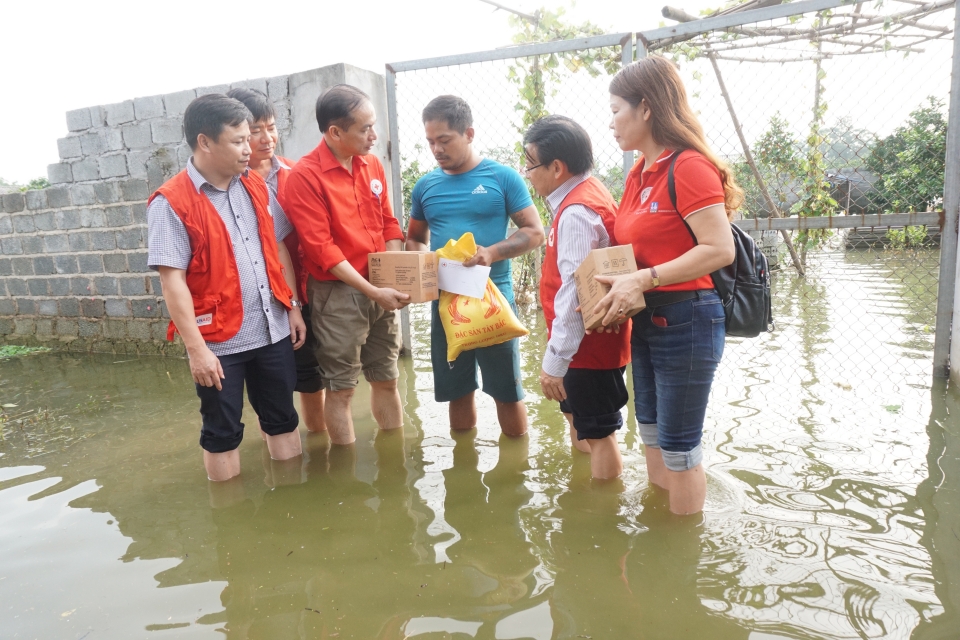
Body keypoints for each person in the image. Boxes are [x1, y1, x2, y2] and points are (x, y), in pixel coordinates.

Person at [593, 56, 741, 514]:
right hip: (646, 317)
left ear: (646, 108)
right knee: (652, 433)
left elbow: (719, 249)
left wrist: (644, 277)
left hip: (687, 319)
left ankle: (683, 548)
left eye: (616, 110)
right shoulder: (638, 172)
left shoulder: (689, 166)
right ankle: (658, 530)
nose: (611, 122)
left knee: (680, 447)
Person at [147, 94, 307, 481]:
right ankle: (228, 512)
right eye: (238, 141)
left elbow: (278, 247)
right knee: (222, 433)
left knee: (283, 419)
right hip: (219, 344)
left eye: (248, 138)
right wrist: (196, 351)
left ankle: (293, 503)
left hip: (273, 329)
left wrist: (293, 307)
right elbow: (172, 282)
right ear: (205, 142)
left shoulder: (254, 185)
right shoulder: (171, 203)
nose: (249, 148)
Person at [405, 95, 544, 436]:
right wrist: (423, 267)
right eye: (430, 141)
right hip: (447, 302)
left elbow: (534, 232)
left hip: (494, 300)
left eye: (444, 140)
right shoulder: (425, 186)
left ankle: (516, 461)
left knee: (507, 392)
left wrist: (491, 253)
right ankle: (463, 460)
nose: (436, 149)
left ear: (469, 133)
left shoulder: (502, 177)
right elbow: (416, 239)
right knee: (457, 391)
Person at [280, 84, 408, 446]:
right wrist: (373, 290)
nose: (374, 136)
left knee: (387, 377)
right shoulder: (305, 177)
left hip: (379, 285)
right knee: (341, 388)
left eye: (373, 126)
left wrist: (392, 275)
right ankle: (344, 468)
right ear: (335, 132)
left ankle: (394, 460)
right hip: (338, 294)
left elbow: (388, 224)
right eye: (365, 129)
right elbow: (323, 250)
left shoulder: (372, 164)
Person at [523, 115, 630, 480]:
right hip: (585, 341)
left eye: (530, 165)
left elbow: (573, 289)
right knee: (581, 420)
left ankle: (603, 507)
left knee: (599, 433)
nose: (527, 173)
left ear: (556, 167)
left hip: (587, 345)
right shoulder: (588, 193)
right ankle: (583, 488)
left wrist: (556, 359)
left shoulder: (576, 212)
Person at [226, 88, 326, 435]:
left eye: (271, 127)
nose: (266, 138)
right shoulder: (227, 183)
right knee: (266, 383)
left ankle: (318, 439)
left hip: (302, 288)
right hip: (260, 297)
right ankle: (274, 438)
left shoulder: (295, 172)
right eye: (256, 130)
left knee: (310, 375)